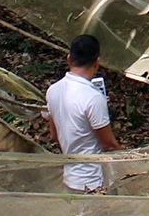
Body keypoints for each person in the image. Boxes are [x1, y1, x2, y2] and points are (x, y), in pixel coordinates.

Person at [47, 33, 120, 194]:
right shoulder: (93, 98)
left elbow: (54, 134)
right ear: (97, 62)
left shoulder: (53, 90)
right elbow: (109, 145)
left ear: (69, 59)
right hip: (95, 183)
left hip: (71, 179)